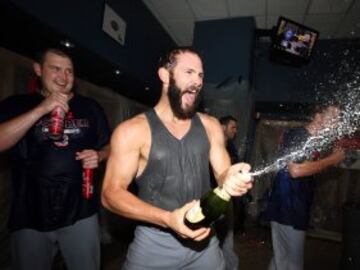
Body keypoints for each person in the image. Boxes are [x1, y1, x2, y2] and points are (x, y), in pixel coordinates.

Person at [101, 47, 253, 270]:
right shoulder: (132, 130)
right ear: (165, 75)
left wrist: (231, 178)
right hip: (155, 243)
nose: (198, 81)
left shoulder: (211, 125)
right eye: (189, 72)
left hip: (204, 241)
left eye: (200, 75)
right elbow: (110, 193)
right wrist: (168, 219)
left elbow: (222, 175)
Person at [0, 48, 111, 270]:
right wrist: (41, 109)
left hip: (81, 212)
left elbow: (110, 146)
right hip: (29, 214)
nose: (63, 76)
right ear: (38, 70)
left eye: (69, 71)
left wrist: (99, 155)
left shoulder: (90, 107)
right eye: (56, 69)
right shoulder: (17, 104)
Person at [265, 105, 345, 270]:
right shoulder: (300, 135)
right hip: (289, 208)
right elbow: (295, 170)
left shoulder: (310, 140)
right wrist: (332, 160)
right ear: (317, 116)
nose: (336, 123)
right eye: (333, 117)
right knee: (292, 263)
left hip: (290, 207)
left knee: (281, 258)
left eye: (338, 119)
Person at [216, 115, 240, 270]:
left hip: (228, 199)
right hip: (214, 200)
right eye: (233, 127)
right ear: (223, 127)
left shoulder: (230, 146)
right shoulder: (212, 146)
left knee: (228, 239)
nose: (235, 131)